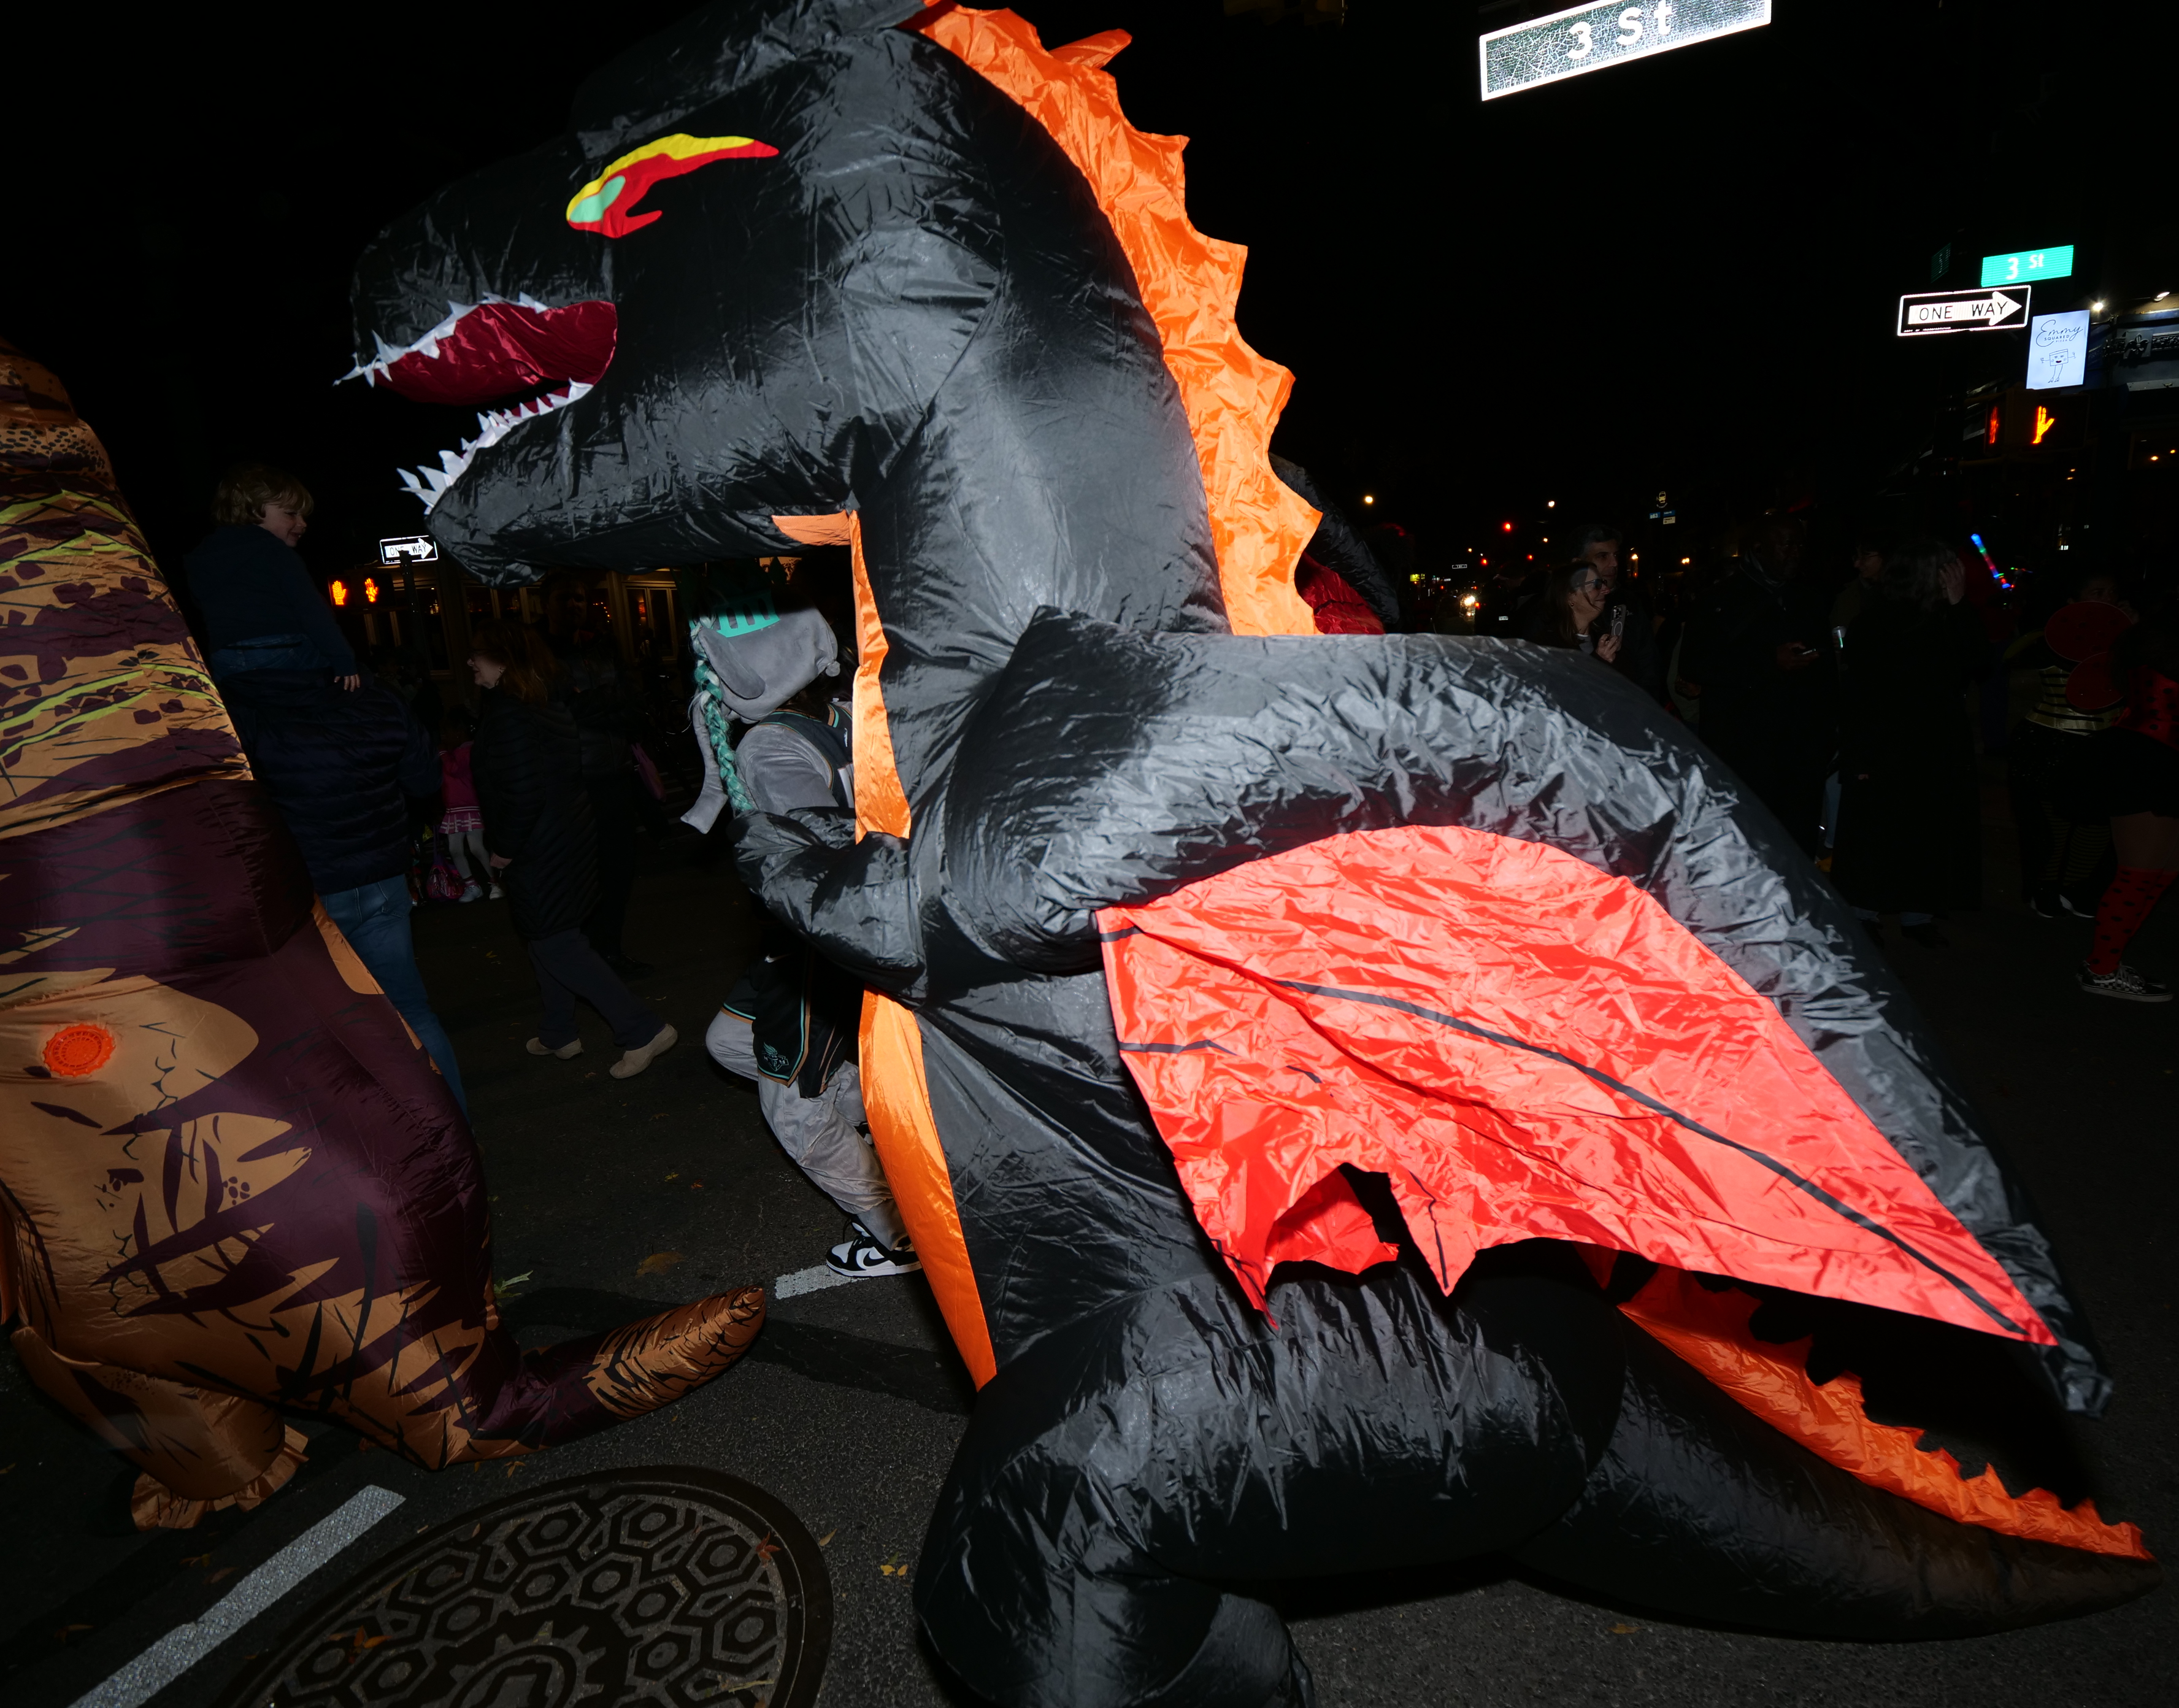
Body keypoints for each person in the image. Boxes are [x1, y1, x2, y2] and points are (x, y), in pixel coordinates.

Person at [687, 563, 917, 1279]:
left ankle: (901, 1230)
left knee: (794, 1112)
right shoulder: (848, 709)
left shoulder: (766, 743)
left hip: (821, 943)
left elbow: (814, 855)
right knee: (729, 1042)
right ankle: (901, 1127)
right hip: (830, 935)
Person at [221, 666, 468, 1112]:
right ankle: (455, 1128)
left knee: (322, 1023)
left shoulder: (244, 705)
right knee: (409, 1010)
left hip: (309, 887)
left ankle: (373, 1142)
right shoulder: (374, 696)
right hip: (380, 876)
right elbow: (424, 779)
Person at [468, 620, 677, 1075]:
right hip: (566, 835)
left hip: (539, 844)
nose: (470, 663)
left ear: (503, 661)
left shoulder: (510, 712)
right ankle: (558, 1031)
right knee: (546, 937)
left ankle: (642, 1029)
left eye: (477, 655)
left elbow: (523, 791)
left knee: (555, 941)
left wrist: (504, 847)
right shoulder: (545, 703)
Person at [1827, 537, 1988, 948]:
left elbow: (1979, 665)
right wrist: (1860, 755)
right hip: (1885, 745)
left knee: (1927, 831)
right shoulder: (1875, 623)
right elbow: (1859, 694)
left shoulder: (1946, 619)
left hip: (1935, 747)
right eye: (1944, 570)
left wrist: (1960, 606)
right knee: (1876, 831)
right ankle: (1864, 912)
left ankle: (1919, 913)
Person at [1678, 515, 1835, 853]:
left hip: (1799, 752)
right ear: (1760, 548)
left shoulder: (1808, 598)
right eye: (1786, 544)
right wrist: (1767, 661)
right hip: (1744, 753)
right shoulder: (1719, 600)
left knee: (1796, 843)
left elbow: (1826, 672)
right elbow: (1695, 664)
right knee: (1748, 843)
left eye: (1800, 544)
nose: (1795, 552)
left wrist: (1825, 736)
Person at [2006, 572, 2129, 920]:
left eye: (2112, 591)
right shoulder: (2048, 639)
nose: (2107, 598)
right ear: (2072, 602)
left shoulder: (2130, 640)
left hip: (2105, 742)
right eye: (2097, 591)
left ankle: (2077, 889)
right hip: (2051, 739)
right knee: (2052, 824)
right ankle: (2044, 888)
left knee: (2097, 823)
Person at [2077, 591, 2179, 1001]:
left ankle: (2107, 963)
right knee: (2139, 873)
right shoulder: (2158, 640)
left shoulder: (2153, 636)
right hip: (2147, 756)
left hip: (2159, 755)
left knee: (2162, 870)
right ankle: (2101, 969)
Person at [182, 463, 359, 690]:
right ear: (253, 510)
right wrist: (344, 660)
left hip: (226, 659)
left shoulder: (202, 556)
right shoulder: (274, 551)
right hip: (280, 650)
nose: (303, 523)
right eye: (291, 513)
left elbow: (199, 602)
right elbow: (311, 610)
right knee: (347, 684)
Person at [564, 640, 653, 976]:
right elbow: (563, 709)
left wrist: (592, 707)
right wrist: (610, 701)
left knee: (618, 870)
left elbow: (636, 707)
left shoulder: (606, 648)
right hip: (576, 781)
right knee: (583, 873)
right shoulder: (548, 651)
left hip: (616, 776)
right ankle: (586, 957)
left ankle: (610, 951)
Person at [1570, 523, 1665, 700]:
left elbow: (1648, 662)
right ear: (1578, 564)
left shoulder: (1630, 602)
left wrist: (1644, 702)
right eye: (1603, 556)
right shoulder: (1553, 610)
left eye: (1616, 555)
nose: (1614, 563)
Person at [1523, 560, 1636, 680]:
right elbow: (1562, 687)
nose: (1606, 590)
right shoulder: (1546, 647)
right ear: (1570, 596)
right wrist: (1599, 661)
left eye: (1604, 582)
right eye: (1597, 584)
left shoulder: (1603, 638)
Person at [439, 717, 496, 902]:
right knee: (455, 849)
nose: (444, 736)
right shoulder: (455, 752)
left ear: (459, 733)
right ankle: (471, 885)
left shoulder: (466, 751)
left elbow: (455, 770)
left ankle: (495, 882)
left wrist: (443, 754)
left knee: (477, 848)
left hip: (470, 806)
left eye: (447, 732)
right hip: (454, 808)